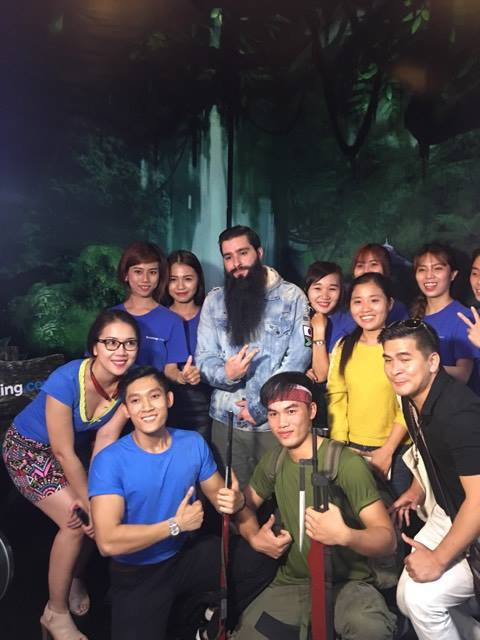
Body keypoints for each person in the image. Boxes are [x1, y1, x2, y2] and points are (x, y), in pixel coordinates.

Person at [88, 366, 264, 640]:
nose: (147, 407)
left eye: (154, 396)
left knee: (260, 559)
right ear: (127, 410)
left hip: (184, 557)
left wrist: (236, 500)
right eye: (135, 400)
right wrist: (175, 525)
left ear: (168, 399)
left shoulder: (192, 443)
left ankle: (209, 623)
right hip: (138, 573)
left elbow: (221, 498)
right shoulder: (109, 461)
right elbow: (107, 541)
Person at [2, 309, 139, 640]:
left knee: (100, 515)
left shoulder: (126, 386)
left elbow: (105, 439)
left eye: (129, 343)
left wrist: (98, 498)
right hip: (27, 450)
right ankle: (55, 612)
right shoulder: (67, 379)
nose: (121, 351)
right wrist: (88, 504)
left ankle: (73, 575)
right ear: (94, 347)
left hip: (72, 455)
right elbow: (61, 451)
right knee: (76, 522)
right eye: (111, 342)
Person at [233, 371, 398, 640]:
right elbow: (245, 506)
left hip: (348, 582)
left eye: (291, 411)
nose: (282, 423)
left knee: (371, 629)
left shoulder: (345, 463)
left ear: (311, 410)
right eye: (273, 414)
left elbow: (387, 540)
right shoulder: (274, 460)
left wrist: (345, 535)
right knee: (247, 635)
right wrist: (253, 535)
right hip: (293, 582)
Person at [380, 320, 480, 640]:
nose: (395, 369)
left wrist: (438, 559)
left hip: (473, 515)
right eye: (388, 359)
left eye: (405, 358)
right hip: (449, 509)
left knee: (422, 600)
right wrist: (418, 487)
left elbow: (479, 500)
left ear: (433, 361)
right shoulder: (411, 396)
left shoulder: (460, 414)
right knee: (405, 599)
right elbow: (431, 452)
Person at [196, 225, 311, 488]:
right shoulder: (214, 301)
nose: (236, 263)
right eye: (228, 257)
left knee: (282, 498)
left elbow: (298, 360)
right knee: (233, 500)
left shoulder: (292, 297)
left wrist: (260, 406)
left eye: (243, 253)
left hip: (276, 423)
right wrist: (227, 373)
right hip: (225, 422)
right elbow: (204, 358)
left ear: (259, 253)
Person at [327, 272, 411, 496]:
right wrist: (340, 446)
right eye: (358, 301)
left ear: (389, 303)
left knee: (396, 513)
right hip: (352, 449)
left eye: (374, 300)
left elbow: (412, 402)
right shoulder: (343, 346)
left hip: (397, 450)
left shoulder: (403, 346)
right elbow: (336, 396)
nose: (366, 308)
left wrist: (388, 449)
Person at [115, 241, 200, 386]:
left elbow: (170, 369)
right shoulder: (111, 317)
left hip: (153, 394)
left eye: (152, 272)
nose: (145, 279)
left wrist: (182, 377)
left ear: (160, 276)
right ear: (126, 275)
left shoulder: (172, 320)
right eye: (138, 272)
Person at [164, 250, 212, 441]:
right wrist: (180, 376)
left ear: (198, 280)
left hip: (205, 403)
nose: (180, 286)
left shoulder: (213, 316)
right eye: (173, 279)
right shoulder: (159, 317)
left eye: (188, 279)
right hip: (164, 402)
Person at [411, 242, 475, 383]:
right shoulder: (410, 317)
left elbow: (463, 374)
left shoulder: (464, 318)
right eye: (422, 269)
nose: (429, 276)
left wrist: (422, 367)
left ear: (453, 275)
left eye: (437, 268)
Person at [304, 261, 352, 384]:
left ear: (341, 291)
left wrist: (319, 330)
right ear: (306, 289)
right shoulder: (298, 317)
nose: (325, 295)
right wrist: (300, 372)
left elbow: (320, 375)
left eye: (332, 289)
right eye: (317, 288)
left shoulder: (349, 323)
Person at [352, 243, 408, 323]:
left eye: (373, 264)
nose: (366, 270)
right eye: (360, 265)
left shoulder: (399, 310)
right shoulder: (344, 312)